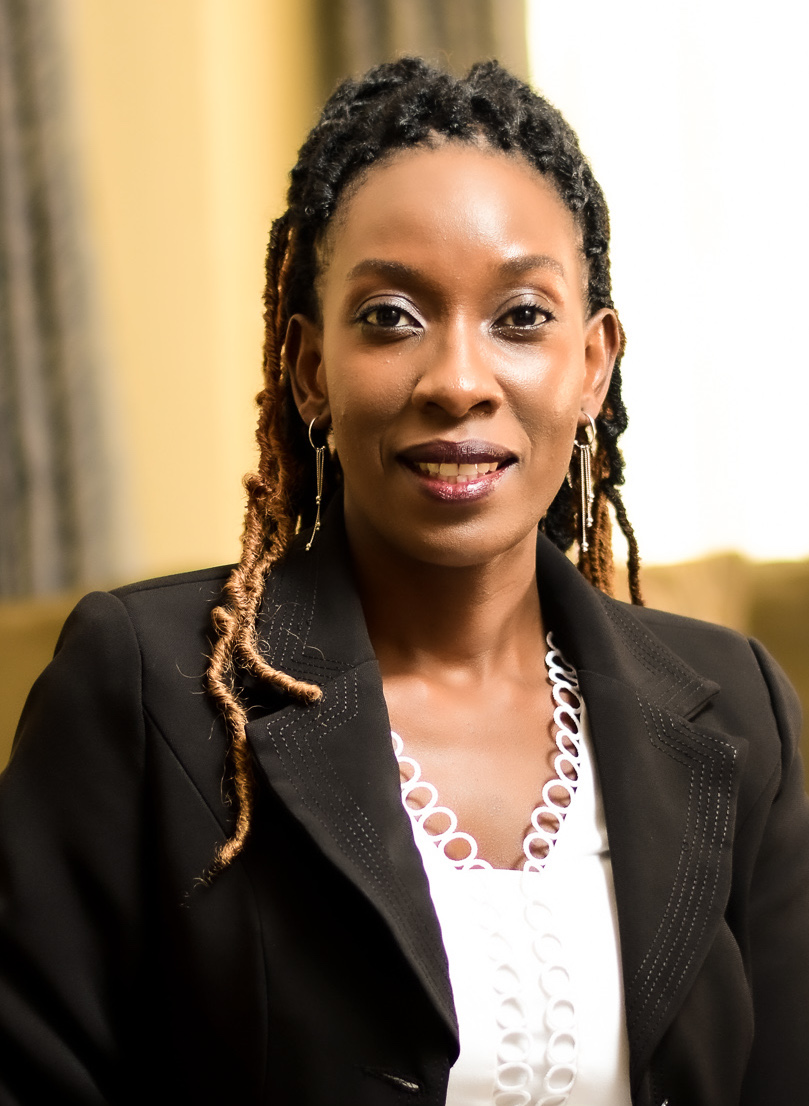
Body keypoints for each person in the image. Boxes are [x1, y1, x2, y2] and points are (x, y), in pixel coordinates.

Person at [1, 57, 807, 1106]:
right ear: (308, 368)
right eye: (389, 316)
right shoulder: (147, 689)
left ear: (591, 364)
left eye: (521, 316)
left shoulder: (739, 710)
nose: (458, 381)